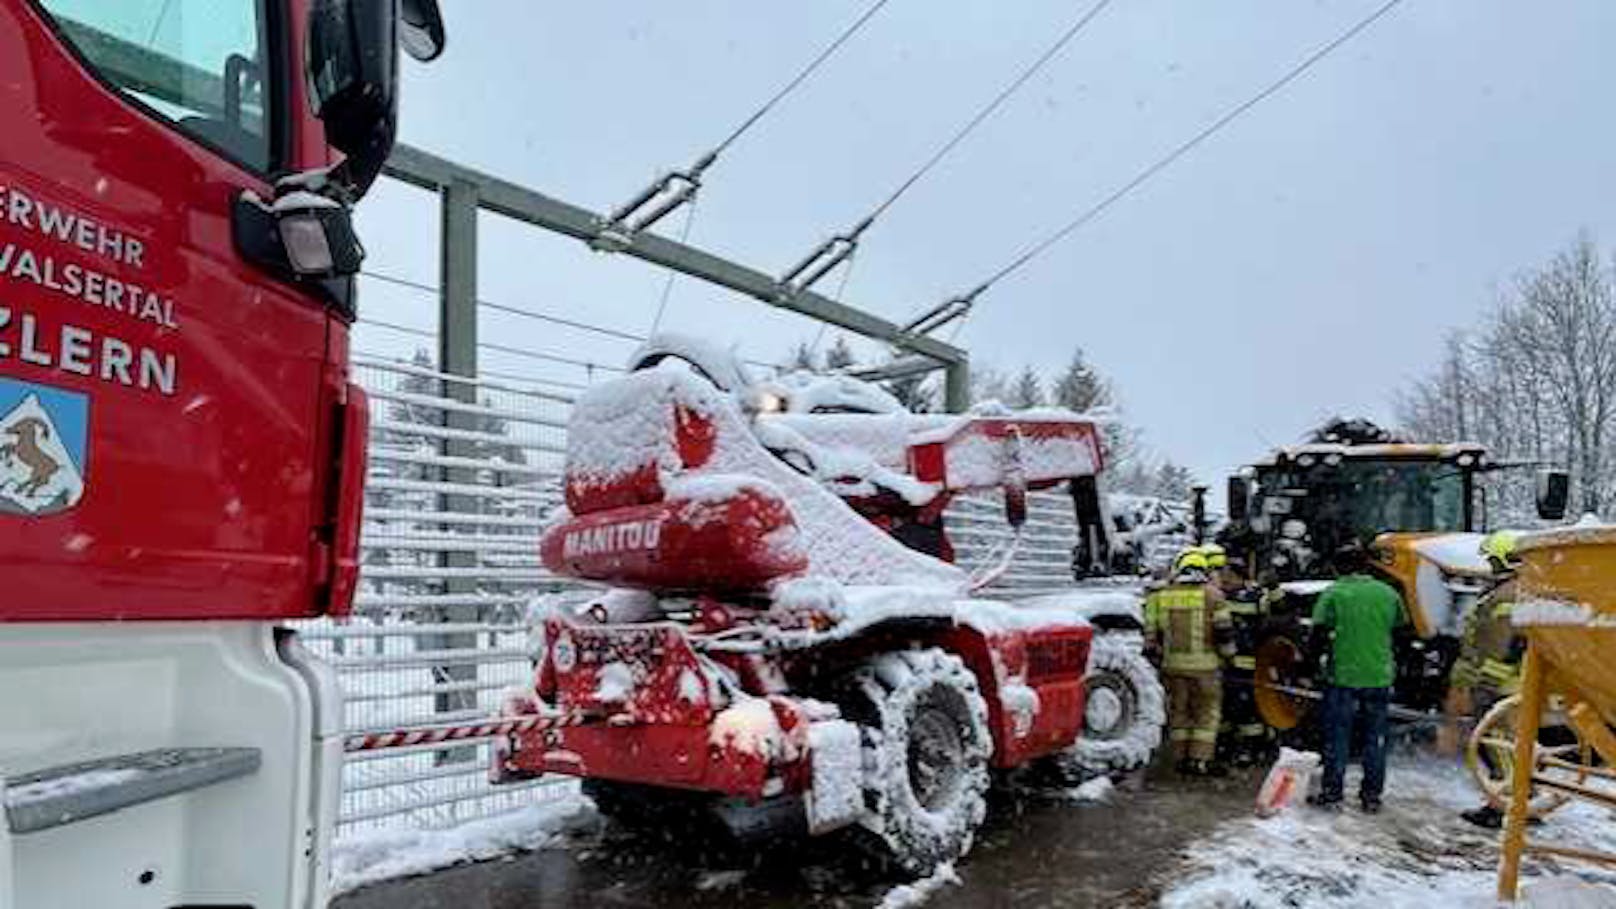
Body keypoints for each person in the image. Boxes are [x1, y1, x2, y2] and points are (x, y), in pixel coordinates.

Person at [1308, 541, 1404, 813]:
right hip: (1380, 676)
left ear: (1339, 567)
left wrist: (1310, 667)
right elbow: (1399, 628)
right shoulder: (1388, 593)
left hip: (1343, 676)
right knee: (1376, 738)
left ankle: (1332, 792)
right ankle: (1371, 796)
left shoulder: (1335, 593)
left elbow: (1317, 635)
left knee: (1338, 736)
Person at [1449, 530, 1527, 829]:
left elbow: (1504, 644)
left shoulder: (1508, 595)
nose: (1489, 565)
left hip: (1499, 684)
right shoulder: (1512, 590)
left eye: (1493, 560)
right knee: (1502, 744)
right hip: (1504, 682)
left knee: (1494, 744)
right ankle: (1517, 799)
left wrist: (1487, 682)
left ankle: (1505, 804)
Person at [1145, 548, 1235, 776]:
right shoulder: (1214, 595)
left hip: (1172, 666)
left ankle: (1179, 758)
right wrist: (1229, 656)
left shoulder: (1162, 595)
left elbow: (1151, 634)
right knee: (1206, 713)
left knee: (1179, 712)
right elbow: (1223, 632)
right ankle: (1200, 760)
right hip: (1206, 668)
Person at [1214, 555, 1273, 767]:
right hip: (1225, 666)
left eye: (1228, 576)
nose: (1224, 579)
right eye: (1223, 576)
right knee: (1225, 712)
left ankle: (1251, 749)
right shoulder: (1218, 596)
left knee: (1248, 711)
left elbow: (1272, 621)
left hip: (1248, 665)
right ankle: (1225, 748)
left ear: (1241, 577)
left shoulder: (1255, 597)